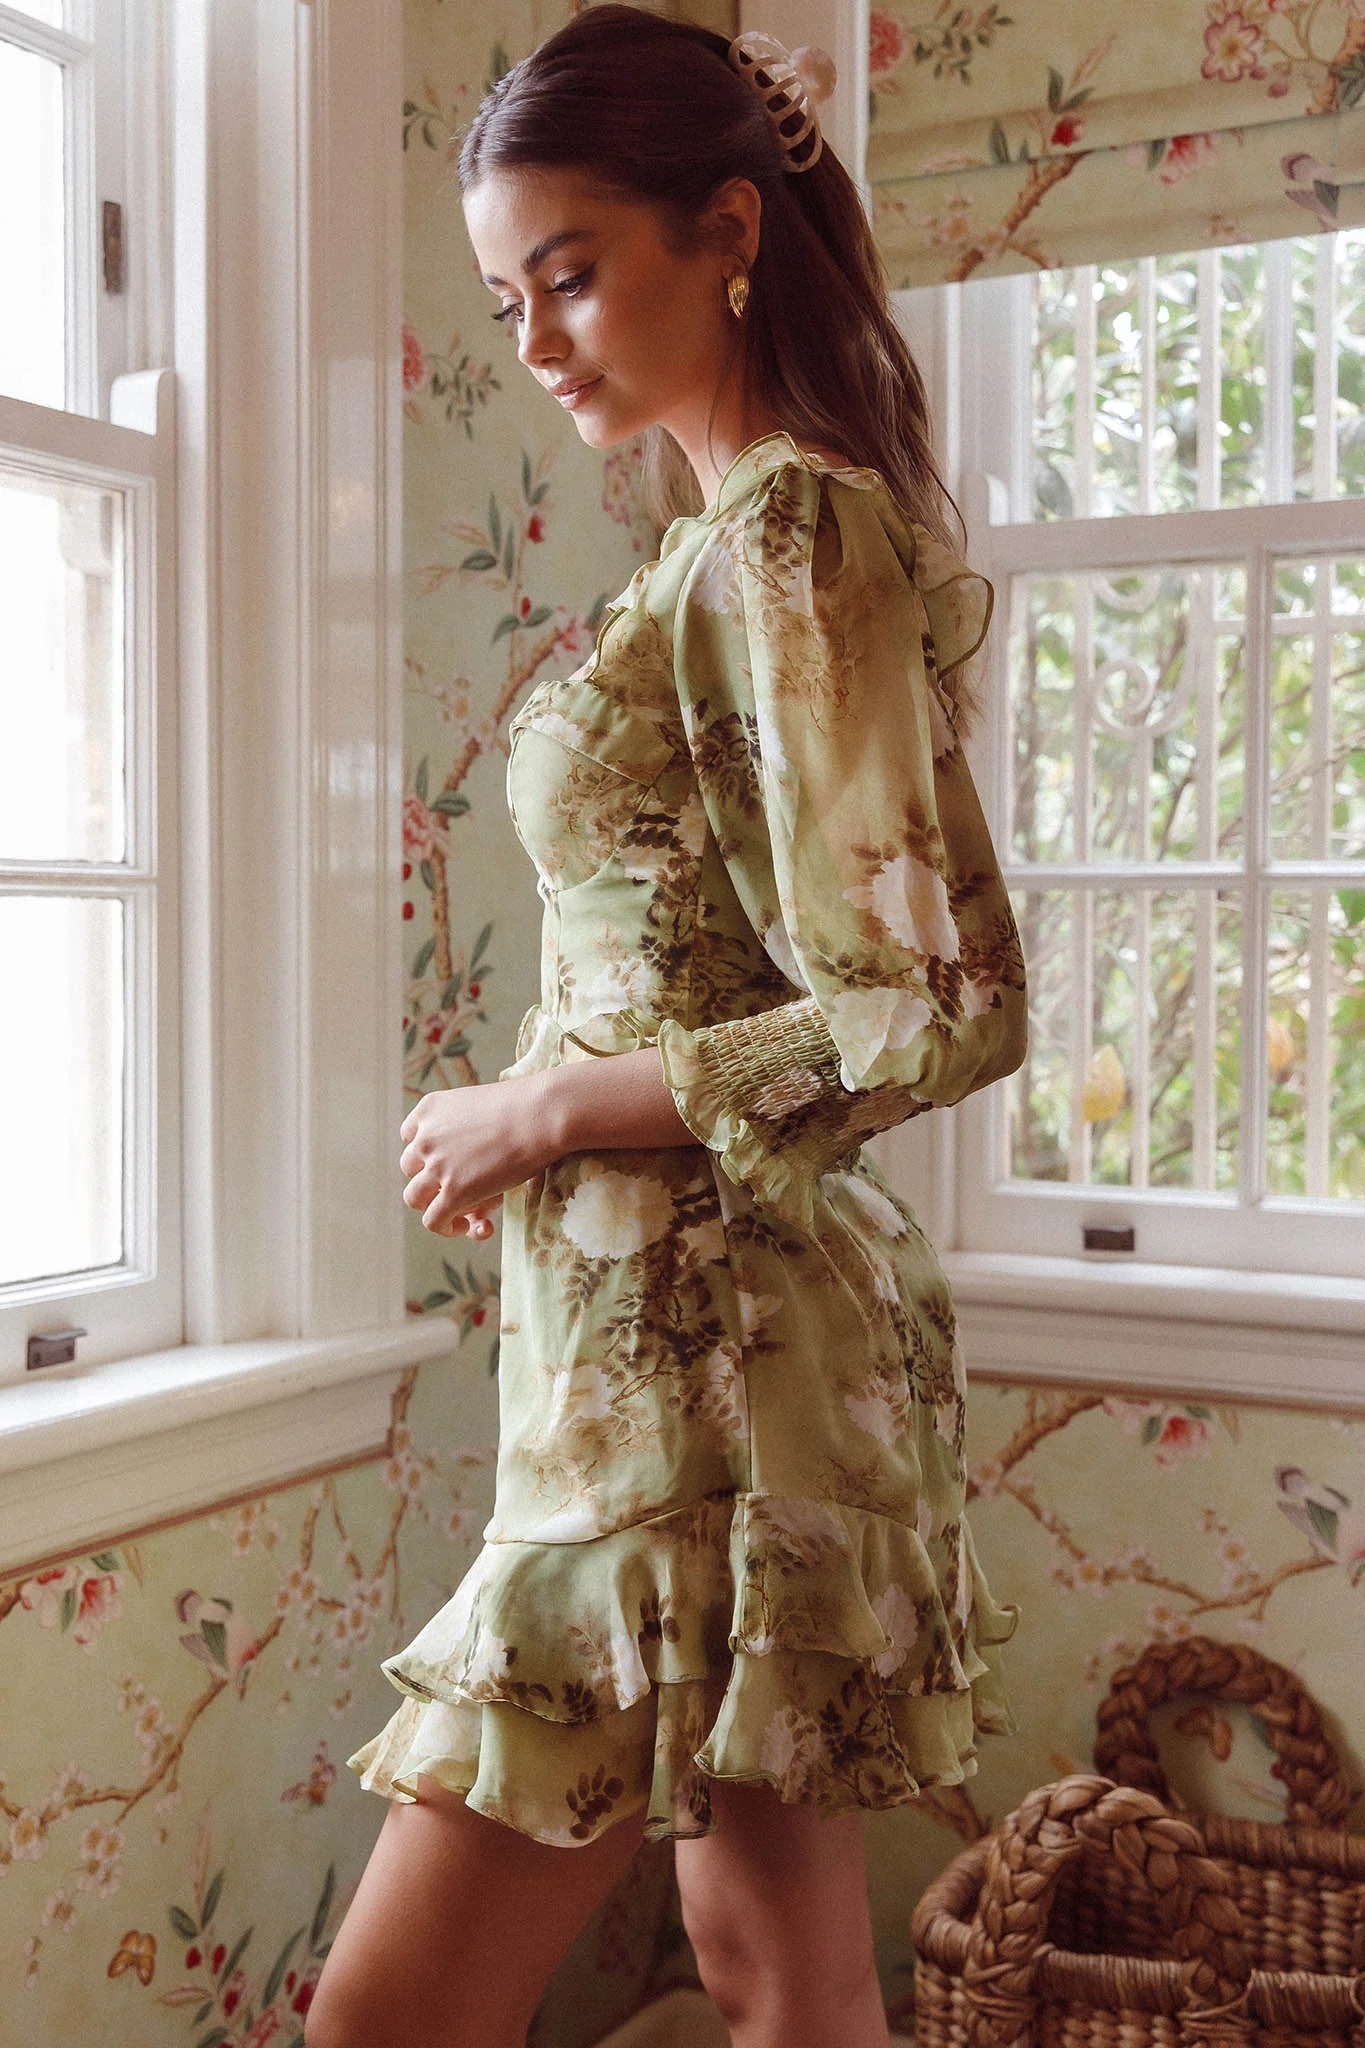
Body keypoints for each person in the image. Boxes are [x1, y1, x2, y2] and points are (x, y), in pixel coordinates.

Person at [307, 10, 1027, 2048]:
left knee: (382, 2020)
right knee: (781, 1977)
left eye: (571, 272)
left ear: (727, 231)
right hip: (673, 1363)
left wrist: (548, 1108)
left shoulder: (791, 533)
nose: (538, 339)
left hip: (713, 1385)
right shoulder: (723, 543)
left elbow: (939, 1004)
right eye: (505, 298)